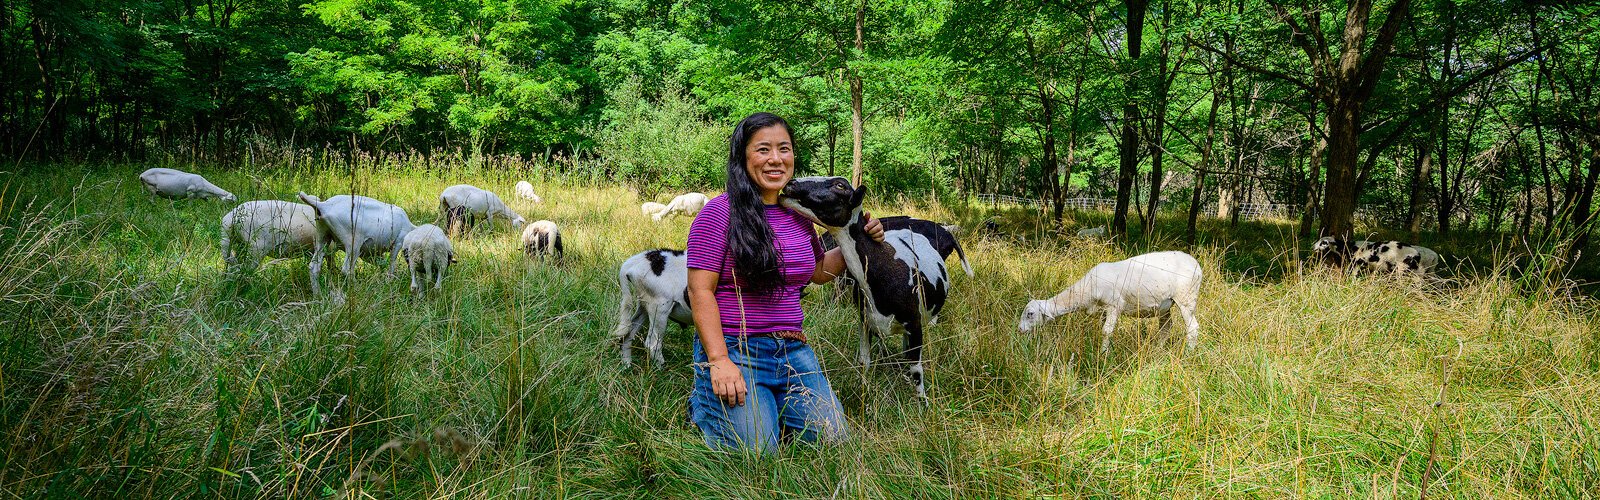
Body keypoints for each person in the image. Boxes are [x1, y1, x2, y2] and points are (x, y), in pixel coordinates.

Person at [685, 112, 884, 453]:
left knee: (833, 441)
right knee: (758, 452)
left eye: (784, 149)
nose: (776, 159)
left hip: (793, 350)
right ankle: (705, 400)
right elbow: (699, 290)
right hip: (736, 347)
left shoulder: (799, 214)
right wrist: (719, 359)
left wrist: (859, 238)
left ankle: (766, 406)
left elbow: (818, 271)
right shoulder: (719, 213)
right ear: (743, 157)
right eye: (763, 150)